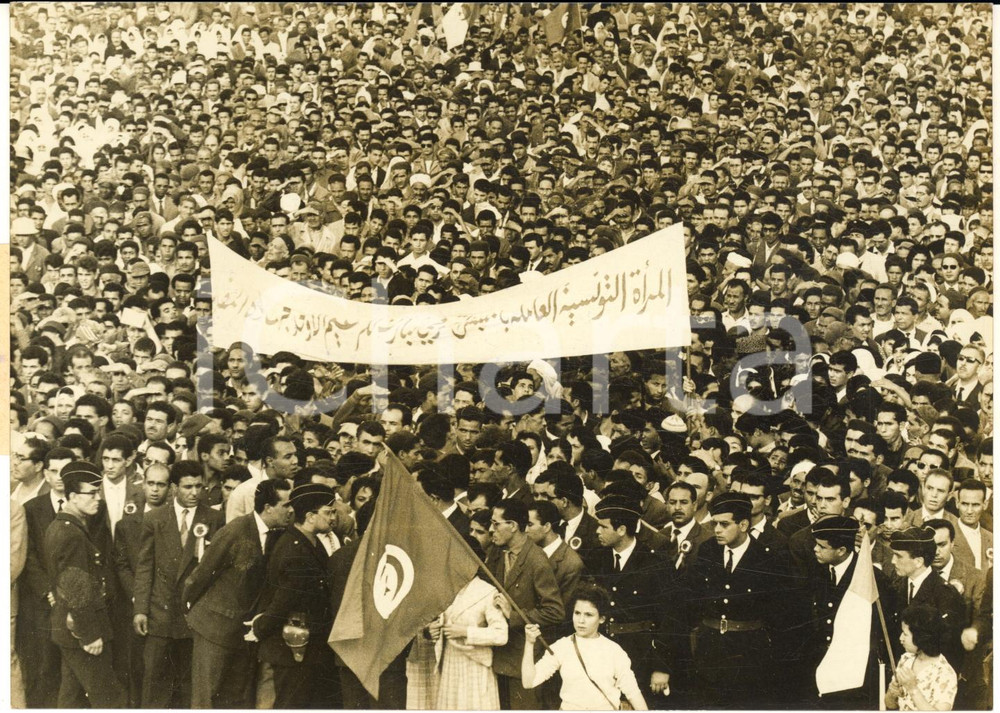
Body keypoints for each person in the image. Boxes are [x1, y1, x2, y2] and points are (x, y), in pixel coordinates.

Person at [183, 479, 292, 708]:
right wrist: (188, 607)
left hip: (241, 631)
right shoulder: (234, 531)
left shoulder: (279, 534)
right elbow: (201, 574)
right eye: (286, 505)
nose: (291, 510)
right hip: (214, 628)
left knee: (233, 697)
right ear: (268, 507)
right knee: (206, 698)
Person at [132, 461, 224, 708]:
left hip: (194, 617)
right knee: (154, 683)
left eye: (198, 486)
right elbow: (144, 567)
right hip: (160, 614)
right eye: (187, 487)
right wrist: (140, 609)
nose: (194, 492)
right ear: (174, 488)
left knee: (188, 684)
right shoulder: (154, 519)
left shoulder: (214, 518)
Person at [250, 483, 341, 708]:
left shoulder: (308, 541)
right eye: (328, 512)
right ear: (310, 517)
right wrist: (259, 629)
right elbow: (284, 601)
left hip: (306, 648)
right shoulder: (295, 550)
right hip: (293, 649)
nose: (333, 518)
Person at [44, 461, 127, 708]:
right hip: (82, 630)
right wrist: (90, 635)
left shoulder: (62, 526)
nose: (97, 498)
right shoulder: (72, 534)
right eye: (91, 493)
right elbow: (76, 589)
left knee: (70, 697)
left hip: (69, 629)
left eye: (98, 492)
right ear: (72, 496)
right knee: (110, 699)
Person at [521, 583, 647, 710]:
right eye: (577, 613)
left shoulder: (614, 651)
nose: (581, 620)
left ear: (602, 618)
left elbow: (633, 693)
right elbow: (528, 682)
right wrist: (529, 643)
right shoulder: (562, 647)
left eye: (588, 615)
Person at [885, 604, 958, 711]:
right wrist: (892, 692)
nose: (900, 638)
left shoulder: (945, 673)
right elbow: (890, 705)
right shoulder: (906, 659)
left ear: (921, 638)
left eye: (905, 634)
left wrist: (913, 688)